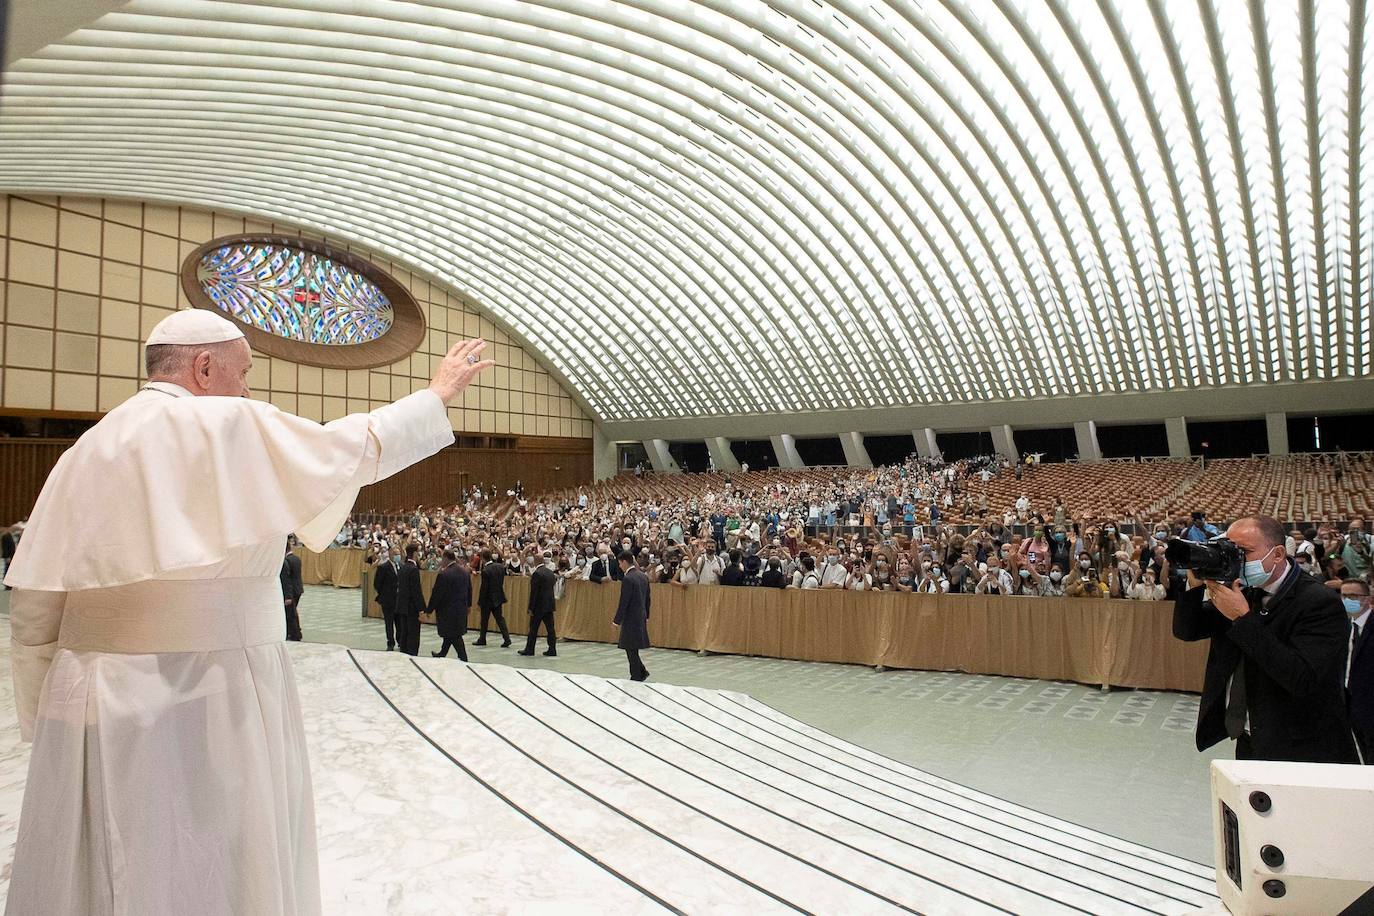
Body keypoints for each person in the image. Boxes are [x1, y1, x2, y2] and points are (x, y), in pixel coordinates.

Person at [3, 310, 490, 915]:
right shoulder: (221, 422)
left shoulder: (87, 448)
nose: (249, 389)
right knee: (211, 856)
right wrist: (436, 395)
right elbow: (350, 449)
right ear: (204, 368)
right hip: (206, 686)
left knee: (101, 859)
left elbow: (35, 604)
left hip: (88, 686)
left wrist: (46, 696)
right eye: (245, 373)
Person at [1172, 515, 1358, 763]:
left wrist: (1241, 618)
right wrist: (1194, 586)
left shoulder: (1320, 602)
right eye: (1229, 551)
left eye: (1244, 552)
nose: (1235, 560)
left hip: (1303, 747)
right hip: (1250, 736)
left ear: (1278, 554)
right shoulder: (1244, 590)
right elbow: (1188, 630)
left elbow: (1301, 678)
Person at [1343, 579, 1372, 763]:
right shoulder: (1346, 626)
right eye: (1344, 595)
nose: (1348, 599)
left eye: (1353, 596)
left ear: (1368, 599)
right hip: (1351, 703)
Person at [614, 552, 651, 681]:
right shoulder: (643, 576)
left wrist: (617, 620)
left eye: (619, 563)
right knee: (632, 647)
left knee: (630, 647)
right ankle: (641, 671)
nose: (619, 566)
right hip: (641, 615)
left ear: (624, 561)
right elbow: (648, 598)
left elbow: (624, 601)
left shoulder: (628, 578)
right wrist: (647, 614)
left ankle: (636, 675)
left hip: (631, 617)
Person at [428, 550, 471, 661]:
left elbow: (437, 594)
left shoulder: (444, 574)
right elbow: (469, 590)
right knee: (451, 633)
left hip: (447, 610)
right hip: (460, 608)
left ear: (446, 558)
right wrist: (468, 605)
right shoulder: (464, 572)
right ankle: (442, 653)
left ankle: (463, 657)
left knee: (454, 635)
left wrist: (429, 609)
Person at [520, 553, 558, 657]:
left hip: (539, 605)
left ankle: (529, 649)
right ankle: (552, 649)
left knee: (533, 629)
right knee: (550, 629)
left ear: (535, 561)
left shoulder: (537, 573)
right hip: (549, 604)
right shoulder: (550, 573)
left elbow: (534, 592)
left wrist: (530, 607)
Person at [475, 549, 512, 647]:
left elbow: (484, 588)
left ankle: (482, 639)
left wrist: (479, 602)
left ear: (483, 559)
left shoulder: (485, 570)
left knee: (484, 620)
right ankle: (507, 638)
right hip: (498, 597)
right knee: (500, 619)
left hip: (487, 599)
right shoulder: (500, 567)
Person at [395, 542, 426, 656]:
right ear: (414, 553)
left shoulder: (402, 568)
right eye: (418, 552)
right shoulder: (413, 569)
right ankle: (412, 656)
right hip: (411, 608)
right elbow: (416, 591)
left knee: (404, 633)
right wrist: (421, 609)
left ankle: (403, 655)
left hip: (402, 606)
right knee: (413, 635)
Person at [373, 546, 401, 651]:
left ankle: (400, 641)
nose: (398, 556)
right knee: (389, 623)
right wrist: (384, 594)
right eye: (395, 554)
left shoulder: (401, 566)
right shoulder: (383, 567)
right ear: (390, 554)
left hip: (398, 600)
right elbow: (377, 584)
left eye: (399, 554)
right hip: (388, 600)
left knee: (399, 623)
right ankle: (390, 642)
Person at [280, 538, 304, 641]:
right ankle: (295, 632)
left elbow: (287, 580)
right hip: (298, 588)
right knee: (293, 612)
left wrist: (288, 596)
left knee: (290, 614)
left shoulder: (286, 561)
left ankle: (294, 634)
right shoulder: (296, 558)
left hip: (291, 591)